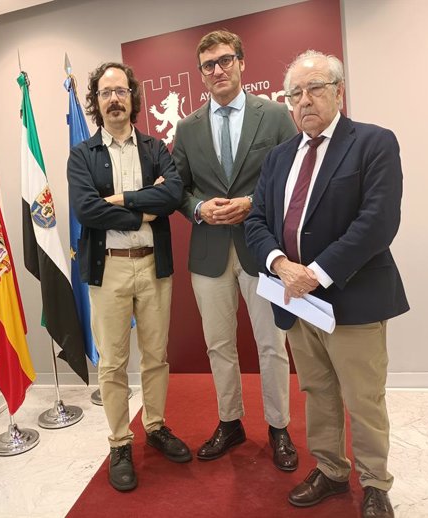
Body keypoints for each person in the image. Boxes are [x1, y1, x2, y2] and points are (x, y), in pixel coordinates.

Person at [244, 50, 409, 518]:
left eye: (315, 88)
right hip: (296, 302)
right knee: (317, 391)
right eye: (295, 93)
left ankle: (375, 482)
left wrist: (314, 273)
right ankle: (332, 470)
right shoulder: (278, 158)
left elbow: (377, 223)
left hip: (351, 297)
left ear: (339, 91)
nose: (304, 101)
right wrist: (279, 264)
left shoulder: (373, 143)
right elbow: (257, 221)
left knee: (363, 397)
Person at [172, 29, 299, 470]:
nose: (218, 70)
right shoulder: (187, 128)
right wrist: (200, 208)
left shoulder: (276, 115)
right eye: (209, 65)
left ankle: (279, 426)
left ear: (242, 63)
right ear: (201, 74)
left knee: (271, 344)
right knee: (218, 345)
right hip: (209, 254)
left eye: (226, 60)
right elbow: (179, 187)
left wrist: (253, 202)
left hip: (262, 250)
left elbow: (291, 176)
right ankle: (231, 422)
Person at [67, 62, 190, 492]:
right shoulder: (82, 155)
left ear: (133, 98)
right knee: (114, 363)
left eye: (121, 91)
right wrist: (143, 206)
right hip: (109, 268)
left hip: (153, 266)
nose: (114, 99)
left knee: (156, 355)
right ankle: (120, 442)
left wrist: (120, 199)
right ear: (96, 103)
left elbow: (173, 193)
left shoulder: (155, 148)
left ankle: (155, 427)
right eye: (106, 93)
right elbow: (87, 210)